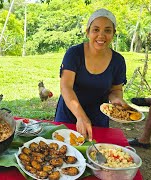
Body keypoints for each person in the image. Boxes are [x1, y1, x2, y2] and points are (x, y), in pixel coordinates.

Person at [55, 8, 127, 141]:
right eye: (96, 29)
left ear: (113, 33)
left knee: (95, 156)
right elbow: (66, 87)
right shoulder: (74, 54)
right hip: (69, 114)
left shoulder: (118, 61)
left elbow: (116, 89)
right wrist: (81, 117)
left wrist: (116, 99)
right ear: (88, 32)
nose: (101, 35)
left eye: (107, 30)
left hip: (98, 119)